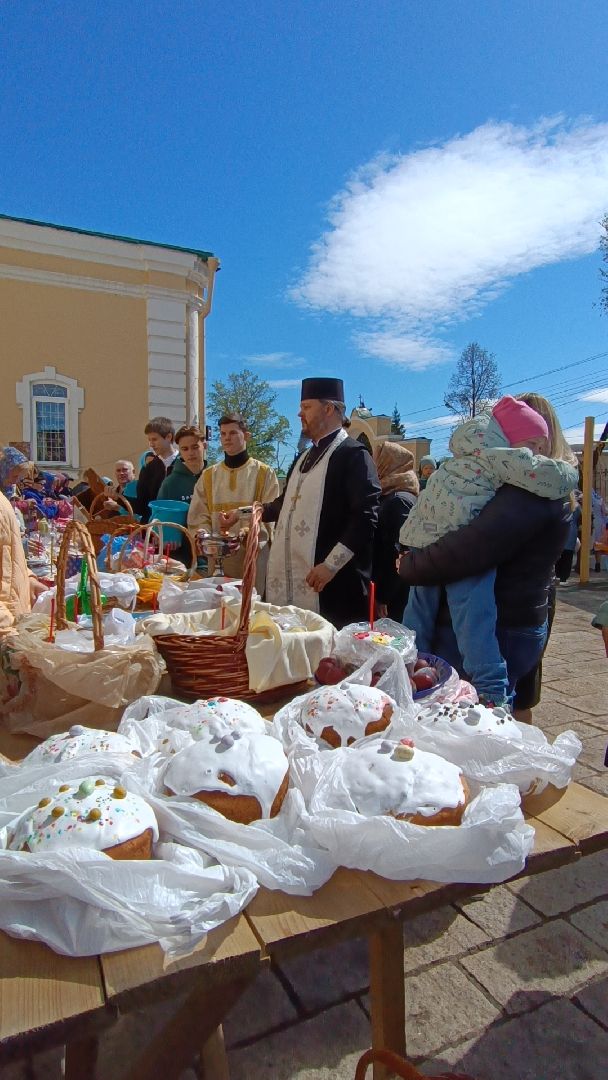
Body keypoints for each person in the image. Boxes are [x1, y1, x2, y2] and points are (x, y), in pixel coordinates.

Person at [398, 395, 578, 706]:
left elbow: (468, 551)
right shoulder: (542, 489)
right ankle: (412, 667)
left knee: (472, 713)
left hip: (502, 625)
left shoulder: (528, 488)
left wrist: (409, 566)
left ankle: (472, 684)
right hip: (522, 616)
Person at [257, 377, 381, 629]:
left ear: (329, 409)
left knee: (330, 663)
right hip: (293, 582)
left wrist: (330, 566)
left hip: (331, 585)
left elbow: (366, 516)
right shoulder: (303, 457)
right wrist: (250, 512)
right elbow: (285, 505)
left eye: (306, 406)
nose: (299, 413)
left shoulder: (353, 455)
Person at [188, 413, 279, 587]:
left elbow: (270, 515)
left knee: (249, 608)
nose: (227, 438)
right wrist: (202, 533)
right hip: (218, 558)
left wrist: (246, 532)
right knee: (220, 607)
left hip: (252, 557)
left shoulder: (264, 473)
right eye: (223, 434)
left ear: (246, 435)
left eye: (233, 433)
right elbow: (199, 514)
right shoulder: (209, 476)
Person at [372, 441, 419, 621]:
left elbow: (399, 553)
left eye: (376, 461)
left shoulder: (399, 500)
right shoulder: (392, 494)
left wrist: (383, 596)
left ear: (388, 462)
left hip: (394, 597)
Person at [135, 417, 179, 523]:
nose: (151, 444)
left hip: (180, 527)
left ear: (168, 437)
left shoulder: (184, 463)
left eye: (154, 439)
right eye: (149, 440)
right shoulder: (148, 469)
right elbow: (141, 504)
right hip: (153, 529)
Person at [158, 427, 206, 504]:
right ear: (180, 451)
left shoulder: (215, 476)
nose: (190, 453)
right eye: (185, 449)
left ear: (204, 446)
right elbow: (161, 514)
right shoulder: (170, 484)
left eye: (195, 447)